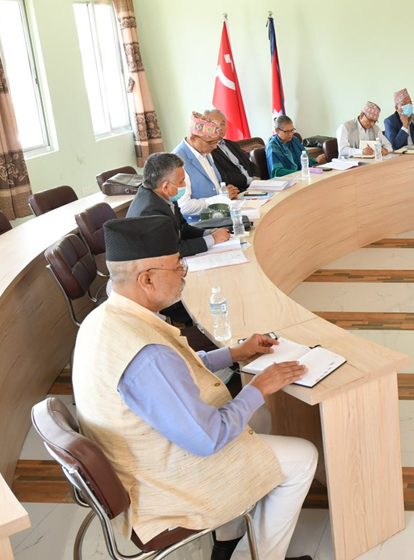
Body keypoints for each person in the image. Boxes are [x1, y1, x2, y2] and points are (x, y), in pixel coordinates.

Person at [72, 216, 317, 560]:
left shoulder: (105, 316)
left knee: (258, 421)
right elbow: (207, 438)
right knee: (304, 457)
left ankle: (229, 537)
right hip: (162, 486)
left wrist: (234, 353)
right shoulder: (148, 357)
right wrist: (259, 387)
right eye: (177, 267)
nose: (184, 274)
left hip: (140, 457)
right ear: (147, 279)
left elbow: (173, 371)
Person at [126, 152, 228, 258]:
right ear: (166, 187)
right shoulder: (150, 211)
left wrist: (209, 233)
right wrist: (213, 239)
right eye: (181, 182)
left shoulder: (165, 195)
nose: (184, 185)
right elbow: (171, 250)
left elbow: (183, 229)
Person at [172, 111, 239, 217]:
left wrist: (224, 192)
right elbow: (184, 206)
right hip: (197, 222)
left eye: (217, 141)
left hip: (217, 215)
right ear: (193, 138)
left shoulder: (204, 150)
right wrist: (220, 199)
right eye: (211, 142)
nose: (215, 147)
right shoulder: (177, 161)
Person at [204, 110, 262, 192]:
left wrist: (256, 177)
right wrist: (249, 180)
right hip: (236, 190)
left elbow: (250, 164)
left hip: (255, 186)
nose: (220, 127)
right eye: (215, 123)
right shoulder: (207, 149)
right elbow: (221, 175)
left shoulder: (232, 144)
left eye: (223, 123)